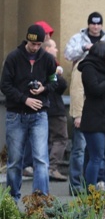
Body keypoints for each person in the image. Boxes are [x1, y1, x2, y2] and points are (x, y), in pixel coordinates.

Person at [1, 24, 57, 201]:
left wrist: (43, 88)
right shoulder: (13, 58)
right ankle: (12, 199)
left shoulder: (48, 60)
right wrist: (24, 99)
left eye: (39, 44)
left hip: (39, 115)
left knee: (41, 159)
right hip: (16, 114)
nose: (35, 48)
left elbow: (55, 82)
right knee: (15, 162)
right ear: (27, 40)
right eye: (32, 44)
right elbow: (4, 85)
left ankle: (40, 201)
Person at [65, 11, 105, 194]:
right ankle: (76, 185)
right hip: (84, 111)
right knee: (79, 149)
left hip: (98, 113)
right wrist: (77, 114)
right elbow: (78, 91)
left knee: (93, 153)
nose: (95, 26)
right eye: (92, 24)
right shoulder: (82, 66)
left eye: (98, 23)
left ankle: (90, 184)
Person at [78, 41, 105, 203]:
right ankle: (91, 194)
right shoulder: (88, 68)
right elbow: (95, 90)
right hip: (94, 119)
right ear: (101, 53)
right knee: (96, 157)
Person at [43, 39, 69, 182]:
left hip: (43, 107)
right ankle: (52, 168)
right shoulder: (50, 65)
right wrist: (58, 75)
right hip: (54, 108)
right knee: (60, 138)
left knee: (47, 139)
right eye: (54, 47)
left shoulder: (37, 63)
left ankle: (43, 167)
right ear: (47, 49)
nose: (57, 50)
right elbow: (61, 85)